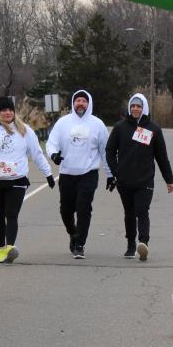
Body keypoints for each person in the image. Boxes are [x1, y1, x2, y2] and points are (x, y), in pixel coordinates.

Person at [0, 97, 54, 263]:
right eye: (4, 110)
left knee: (12, 214)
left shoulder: (25, 130)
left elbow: (37, 153)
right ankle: (2, 249)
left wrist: (48, 174)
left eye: (10, 110)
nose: (8, 113)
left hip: (18, 179)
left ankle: (10, 248)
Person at [105, 93, 173, 261]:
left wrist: (169, 179)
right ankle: (130, 245)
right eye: (133, 106)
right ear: (129, 108)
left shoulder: (153, 129)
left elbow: (161, 157)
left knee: (142, 210)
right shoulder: (120, 128)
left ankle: (143, 243)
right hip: (124, 180)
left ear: (144, 108)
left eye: (139, 106)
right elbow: (109, 151)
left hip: (145, 180)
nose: (135, 109)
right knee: (129, 213)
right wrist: (116, 171)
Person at [44, 89, 112, 259]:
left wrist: (111, 174)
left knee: (83, 208)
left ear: (89, 104)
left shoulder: (98, 124)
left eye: (84, 101)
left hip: (88, 173)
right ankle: (73, 233)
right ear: (73, 103)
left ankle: (80, 244)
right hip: (67, 173)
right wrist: (54, 155)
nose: (80, 104)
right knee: (65, 210)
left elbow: (106, 152)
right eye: (78, 101)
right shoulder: (63, 123)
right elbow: (51, 143)